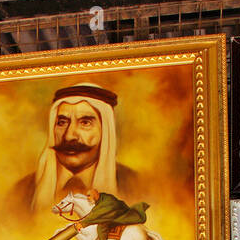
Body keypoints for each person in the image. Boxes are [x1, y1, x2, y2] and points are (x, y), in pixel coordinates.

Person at [12, 82, 145, 212]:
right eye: (62, 122)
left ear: (105, 131)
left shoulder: (135, 186)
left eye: (85, 123)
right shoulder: (22, 191)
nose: (69, 136)